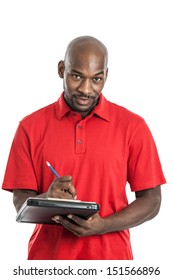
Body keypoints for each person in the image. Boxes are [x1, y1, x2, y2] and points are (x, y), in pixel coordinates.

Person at [2, 35, 166, 260]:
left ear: (106, 75)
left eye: (97, 79)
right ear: (61, 69)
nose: (86, 89)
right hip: (47, 263)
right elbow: (20, 199)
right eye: (77, 76)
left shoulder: (133, 126)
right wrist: (47, 199)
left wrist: (103, 226)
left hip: (112, 263)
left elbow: (152, 201)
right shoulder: (30, 127)